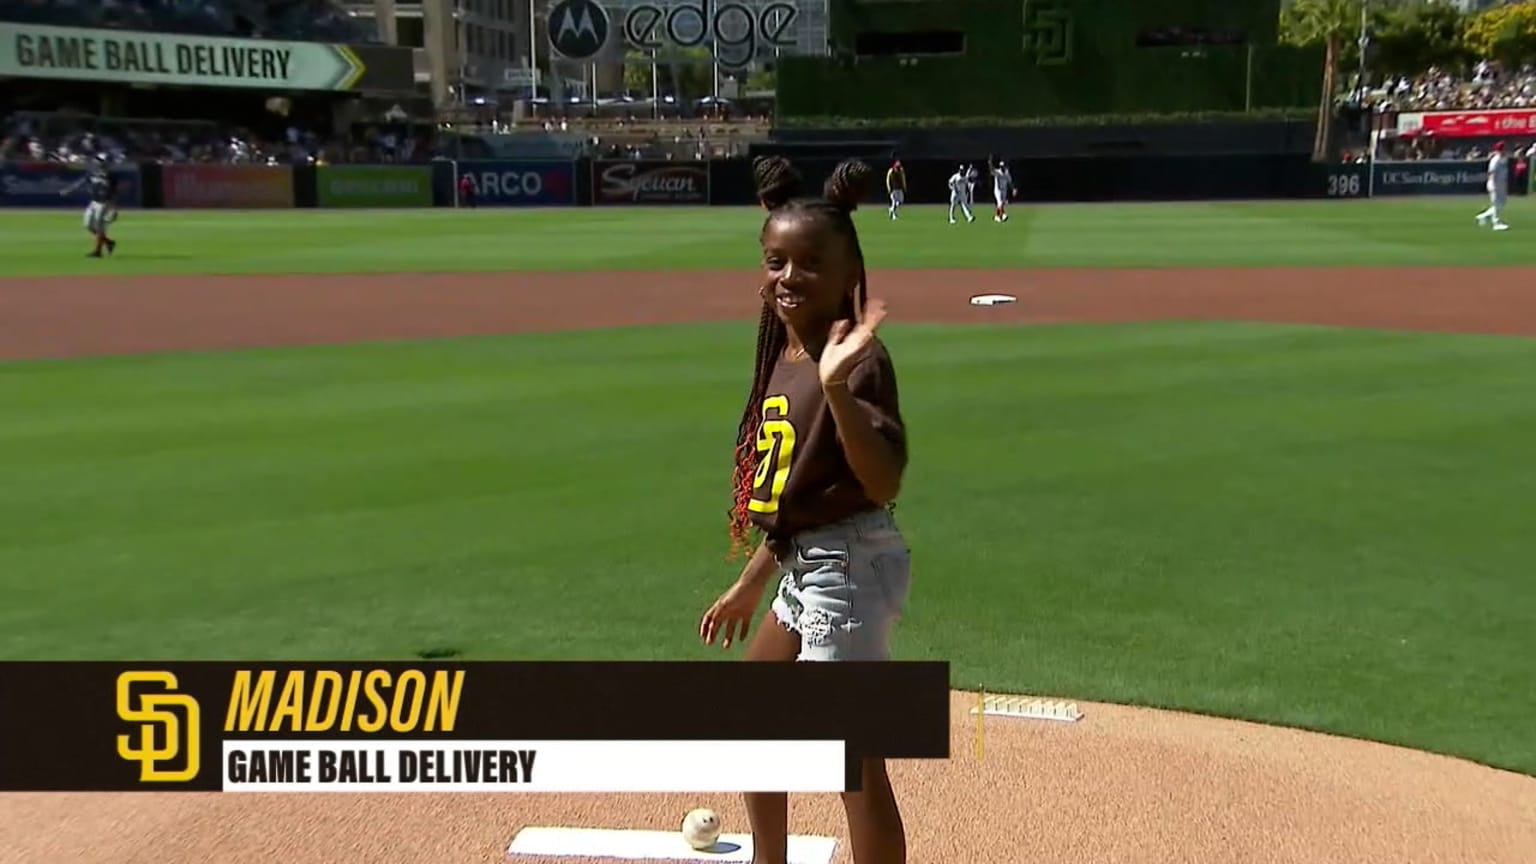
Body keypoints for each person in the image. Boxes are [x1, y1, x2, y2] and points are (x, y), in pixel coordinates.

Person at [700, 155, 913, 864]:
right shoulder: (787, 351)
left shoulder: (854, 359)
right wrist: (750, 583)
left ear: (850, 275)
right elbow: (803, 501)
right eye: (775, 260)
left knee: (849, 760)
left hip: (848, 568)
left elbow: (881, 482)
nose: (788, 276)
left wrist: (840, 389)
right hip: (812, 563)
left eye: (809, 263)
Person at [60, 156, 118, 258]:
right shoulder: (93, 173)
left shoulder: (111, 177)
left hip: (104, 203)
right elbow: (82, 182)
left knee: (99, 226)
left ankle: (98, 251)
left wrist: (114, 208)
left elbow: (114, 193)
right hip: (94, 202)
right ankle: (108, 242)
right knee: (88, 225)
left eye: (100, 162)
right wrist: (69, 189)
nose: (98, 164)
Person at [1475, 141, 1511, 231]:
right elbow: (1491, 173)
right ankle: (1496, 223)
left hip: (1502, 183)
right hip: (1494, 184)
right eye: (1502, 149)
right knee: (1496, 203)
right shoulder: (1495, 160)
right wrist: (1492, 184)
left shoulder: (1504, 158)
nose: (1504, 150)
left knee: (1501, 203)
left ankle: (1482, 216)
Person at [990, 158, 1014, 223]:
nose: (1002, 167)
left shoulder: (1007, 173)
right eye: (1001, 166)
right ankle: (1003, 215)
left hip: (1004, 190)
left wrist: (1013, 189)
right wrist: (990, 163)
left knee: (1000, 204)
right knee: (1000, 203)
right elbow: (991, 170)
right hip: (997, 190)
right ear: (1000, 167)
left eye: (1003, 166)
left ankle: (996, 217)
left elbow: (1010, 181)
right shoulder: (997, 172)